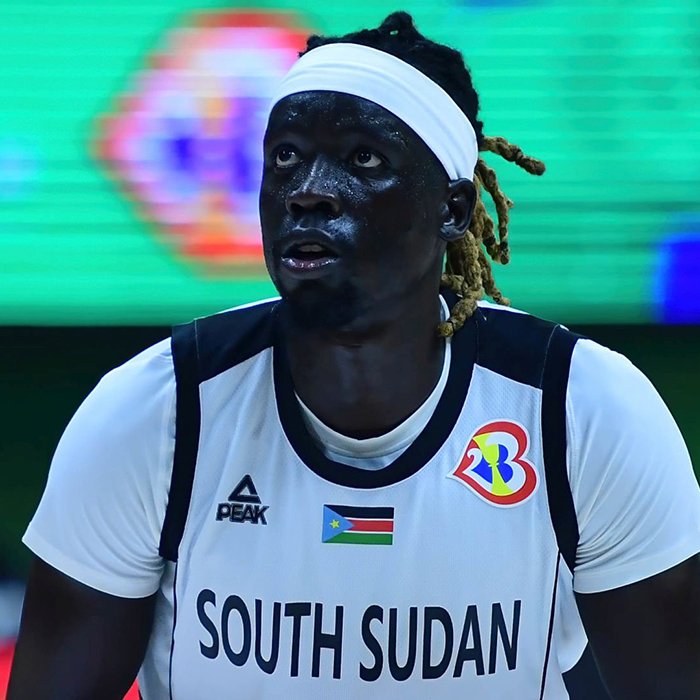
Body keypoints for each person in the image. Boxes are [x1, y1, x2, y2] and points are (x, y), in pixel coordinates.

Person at [8, 11, 700, 700]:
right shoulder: (155, 413)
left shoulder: (583, 410)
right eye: (286, 158)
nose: (307, 190)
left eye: (364, 160)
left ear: (454, 208)